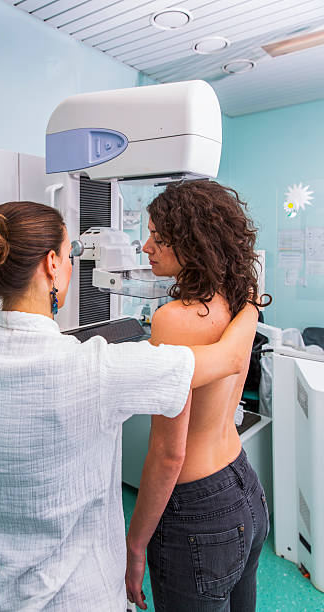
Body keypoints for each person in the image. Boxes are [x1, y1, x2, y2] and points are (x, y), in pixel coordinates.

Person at [0, 201, 258, 612]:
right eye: (70, 255)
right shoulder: (95, 370)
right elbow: (229, 358)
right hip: (72, 598)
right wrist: (248, 295)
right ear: (52, 263)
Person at [126, 180, 271, 611]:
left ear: (191, 240)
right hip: (243, 485)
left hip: (198, 506)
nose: (145, 245)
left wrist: (136, 546)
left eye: (158, 235)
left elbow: (170, 453)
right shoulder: (237, 297)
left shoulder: (174, 319)